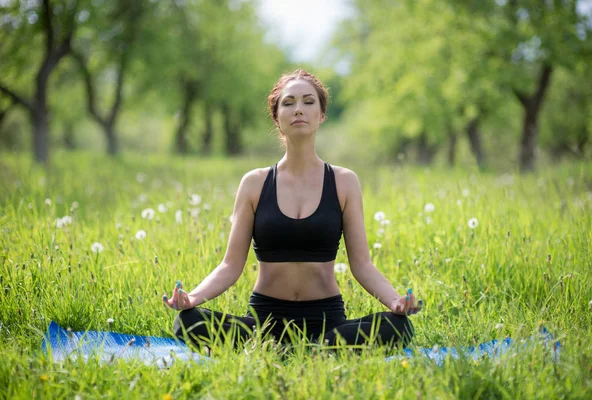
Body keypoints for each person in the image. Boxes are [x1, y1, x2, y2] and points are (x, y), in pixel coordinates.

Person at [163, 69, 422, 349]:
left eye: (309, 102)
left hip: (327, 322)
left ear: (322, 115)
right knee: (188, 321)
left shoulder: (344, 181)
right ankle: (308, 353)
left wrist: (395, 301)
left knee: (399, 327)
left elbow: (362, 265)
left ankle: (289, 352)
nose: (299, 109)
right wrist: (193, 298)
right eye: (289, 103)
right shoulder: (254, 183)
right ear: (277, 117)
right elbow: (230, 265)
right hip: (264, 320)